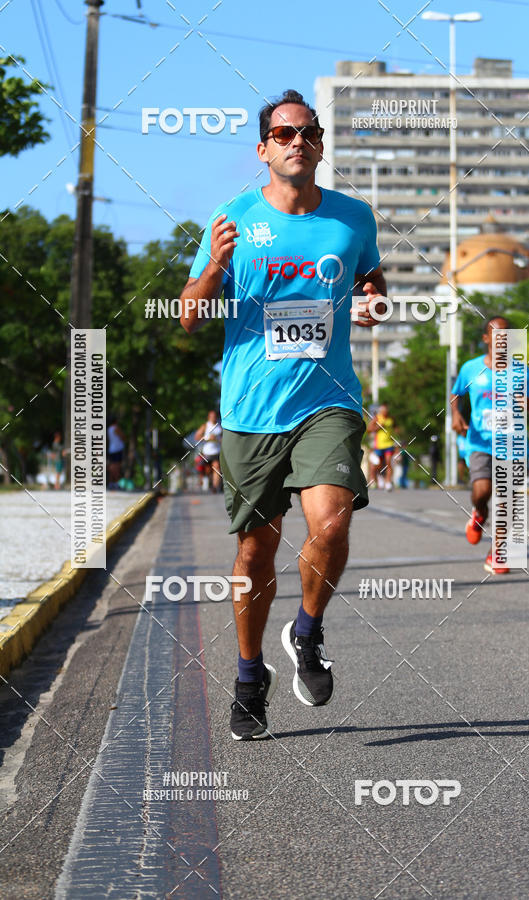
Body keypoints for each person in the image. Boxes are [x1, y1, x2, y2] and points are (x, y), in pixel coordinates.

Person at [180, 89, 386, 740]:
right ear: (263, 149)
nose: (299, 141)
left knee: (331, 521)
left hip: (329, 400)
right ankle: (249, 676)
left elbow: (372, 284)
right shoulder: (233, 218)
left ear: (320, 146)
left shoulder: (354, 218)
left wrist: (372, 303)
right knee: (255, 551)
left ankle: (307, 630)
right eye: (285, 133)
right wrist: (215, 266)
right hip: (251, 410)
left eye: (309, 132)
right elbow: (189, 316)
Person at [450, 316, 529, 574]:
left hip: (513, 443)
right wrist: (456, 415)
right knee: (482, 491)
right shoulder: (471, 368)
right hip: (480, 441)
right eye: (497, 334)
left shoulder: (522, 371)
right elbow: (456, 393)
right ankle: (479, 513)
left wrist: (528, 403)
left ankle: (497, 552)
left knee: (508, 500)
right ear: (486, 338)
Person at [367, 403, 396, 491]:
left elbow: (395, 429)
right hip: (379, 445)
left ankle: (388, 482)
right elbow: (369, 429)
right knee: (378, 464)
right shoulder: (377, 418)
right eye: (383, 410)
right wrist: (378, 427)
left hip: (389, 444)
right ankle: (380, 477)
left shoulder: (391, 418)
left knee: (388, 462)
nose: (384, 411)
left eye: (386, 410)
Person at [194, 410, 223, 493]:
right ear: (209, 417)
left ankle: (215, 487)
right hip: (207, 453)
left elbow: (223, 438)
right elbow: (197, 436)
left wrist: (219, 440)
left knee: (216, 467)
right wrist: (207, 438)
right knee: (208, 470)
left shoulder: (219, 426)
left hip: (217, 452)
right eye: (212, 416)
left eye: (215, 416)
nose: (213, 418)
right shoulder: (205, 426)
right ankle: (209, 481)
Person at [107, 416, 126, 489]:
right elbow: (123, 436)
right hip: (117, 449)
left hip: (111, 449)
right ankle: (116, 483)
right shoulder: (116, 428)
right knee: (117, 467)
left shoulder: (109, 429)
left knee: (112, 467)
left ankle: (111, 482)